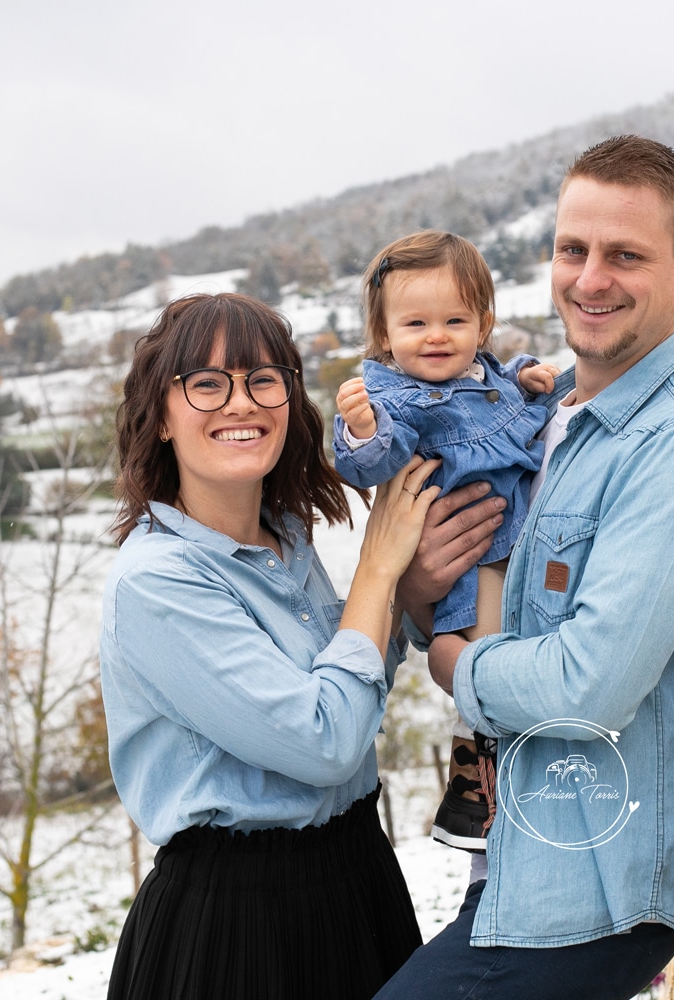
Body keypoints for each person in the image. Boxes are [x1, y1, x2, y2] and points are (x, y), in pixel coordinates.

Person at [378, 135, 674, 1000]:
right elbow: (481, 594)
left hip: (601, 885)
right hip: (520, 852)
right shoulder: (540, 423)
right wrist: (418, 590)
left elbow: (587, 685)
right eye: (573, 250)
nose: (590, 279)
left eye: (626, 255)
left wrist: (452, 662)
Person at [99, 292, 439, 1000]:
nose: (240, 403)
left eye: (263, 379)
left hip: (358, 882)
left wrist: (406, 595)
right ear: (160, 415)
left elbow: (343, 672)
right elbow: (323, 740)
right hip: (237, 925)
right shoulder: (157, 580)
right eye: (206, 383)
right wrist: (378, 569)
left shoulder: (284, 539)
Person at [331, 230, 560, 854]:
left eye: (455, 320)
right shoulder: (393, 398)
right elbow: (369, 463)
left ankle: (510, 779)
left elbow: (504, 388)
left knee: (515, 644)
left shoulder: (486, 373)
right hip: (471, 551)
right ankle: (474, 797)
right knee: (485, 646)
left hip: (511, 538)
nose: (436, 336)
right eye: (415, 323)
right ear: (384, 335)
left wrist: (529, 376)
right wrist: (360, 429)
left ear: (483, 325)